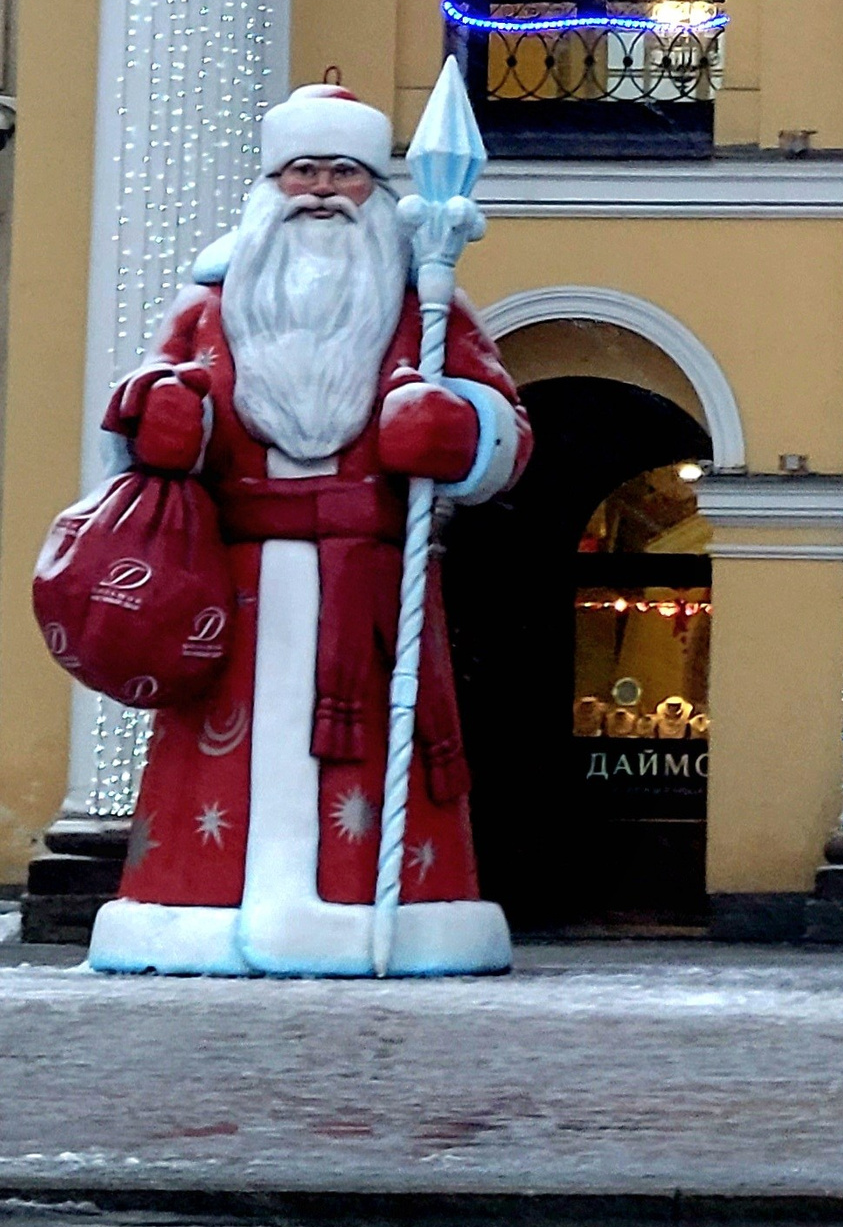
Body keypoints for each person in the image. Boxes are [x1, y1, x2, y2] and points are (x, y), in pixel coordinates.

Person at [82, 82, 529, 977]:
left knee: (371, 759)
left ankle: (383, 914)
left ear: (376, 191)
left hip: (368, 585)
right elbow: (142, 414)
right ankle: (195, 904)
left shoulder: (423, 309)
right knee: (221, 750)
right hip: (235, 587)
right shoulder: (211, 307)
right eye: (303, 171)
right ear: (271, 184)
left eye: (345, 173)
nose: (322, 191)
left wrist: (459, 428)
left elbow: (508, 429)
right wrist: (162, 417)